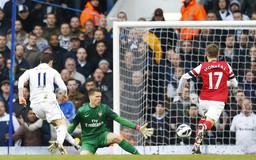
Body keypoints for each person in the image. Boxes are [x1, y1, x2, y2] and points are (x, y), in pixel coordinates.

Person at [174, 44, 238, 154]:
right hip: (218, 100)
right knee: (208, 123)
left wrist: (179, 92)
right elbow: (235, 84)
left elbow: (184, 77)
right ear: (218, 55)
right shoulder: (226, 65)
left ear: (206, 54)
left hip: (203, 100)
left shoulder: (203, 66)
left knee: (202, 121)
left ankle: (196, 146)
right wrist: (224, 83)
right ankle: (203, 129)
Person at [18, 53, 80, 154]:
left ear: (40, 62)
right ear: (50, 62)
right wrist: (65, 95)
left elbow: (21, 79)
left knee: (59, 125)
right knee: (62, 124)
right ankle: (59, 142)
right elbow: (63, 87)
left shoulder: (30, 71)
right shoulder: (53, 71)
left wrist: (21, 96)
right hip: (48, 102)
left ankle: (74, 143)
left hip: (35, 106)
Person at [67, 88, 154, 155]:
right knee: (83, 156)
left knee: (116, 137)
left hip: (103, 136)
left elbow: (120, 120)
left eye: (100, 96)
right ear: (90, 97)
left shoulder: (104, 108)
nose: (99, 98)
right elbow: (72, 126)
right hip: (88, 141)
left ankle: (139, 156)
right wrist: (62, 137)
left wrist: (138, 128)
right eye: (97, 96)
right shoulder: (82, 111)